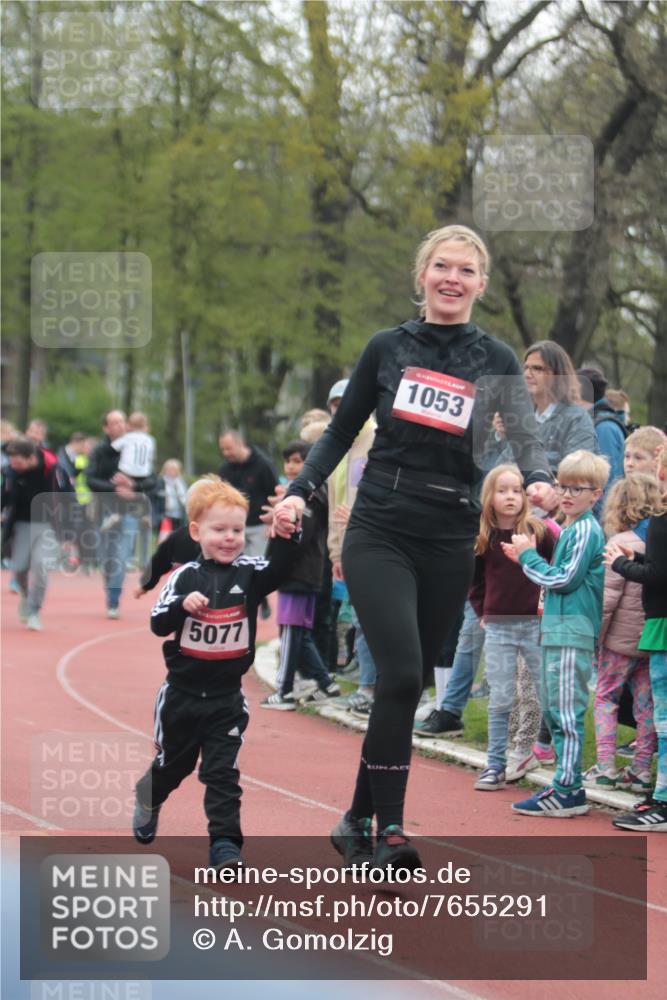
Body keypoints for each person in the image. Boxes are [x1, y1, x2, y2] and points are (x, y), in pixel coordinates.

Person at [271, 224, 552, 871]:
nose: (451, 279)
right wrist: (298, 491)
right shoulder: (386, 348)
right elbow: (339, 432)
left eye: (464, 270)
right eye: (440, 267)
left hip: (450, 532)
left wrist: (536, 477)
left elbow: (526, 437)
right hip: (382, 527)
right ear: (421, 275)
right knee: (399, 674)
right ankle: (389, 833)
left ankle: (351, 819)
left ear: (480, 284)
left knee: (409, 681)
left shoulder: (496, 359)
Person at [132, 475, 299, 869]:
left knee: (222, 773)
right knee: (176, 764)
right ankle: (149, 794)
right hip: (181, 697)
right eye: (219, 530)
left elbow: (282, 569)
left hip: (226, 698)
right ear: (196, 531)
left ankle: (225, 845)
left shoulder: (251, 572)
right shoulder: (183, 577)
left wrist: (286, 533)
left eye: (237, 530)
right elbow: (158, 624)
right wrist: (181, 607)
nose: (229, 538)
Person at [506, 449, 610, 817]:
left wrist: (528, 559)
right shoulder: (570, 528)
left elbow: (565, 580)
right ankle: (566, 782)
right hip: (558, 628)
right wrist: (528, 558)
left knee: (565, 711)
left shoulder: (585, 530)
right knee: (555, 709)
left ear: (596, 494)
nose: (566, 494)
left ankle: (568, 789)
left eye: (577, 488)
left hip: (572, 630)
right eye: (562, 486)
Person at [469, 464, 555, 791]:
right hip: (499, 627)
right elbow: (474, 582)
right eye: (502, 491)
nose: (510, 497)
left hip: (535, 625)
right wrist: (482, 611)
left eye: (516, 490)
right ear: (489, 497)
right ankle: (495, 764)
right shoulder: (483, 537)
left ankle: (560, 759)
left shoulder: (540, 532)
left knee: (547, 691)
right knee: (501, 697)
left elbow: (554, 569)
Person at [584, 473, 661, 792]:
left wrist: (595, 640)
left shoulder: (618, 545)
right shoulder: (653, 544)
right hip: (648, 640)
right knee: (646, 704)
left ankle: (605, 766)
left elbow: (607, 603)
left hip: (617, 644)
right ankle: (642, 770)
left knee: (605, 697)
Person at [604, 447, 667, 832]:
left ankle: (661, 801)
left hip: (663, 627)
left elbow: (660, 575)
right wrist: (639, 562)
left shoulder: (660, 519)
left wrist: (621, 564)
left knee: (665, 720)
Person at [261, 441, 340, 709]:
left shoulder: (308, 496)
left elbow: (298, 536)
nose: (292, 467)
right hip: (305, 572)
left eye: (298, 461)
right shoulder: (307, 494)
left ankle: (283, 691)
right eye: (288, 461)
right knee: (301, 632)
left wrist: (274, 564)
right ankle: (326, 683)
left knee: (291, 632)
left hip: (299, 572)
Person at [86, 410, 156, 618]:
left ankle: (113, 602)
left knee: (122, 556)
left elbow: (153, 481)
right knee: (106, 559)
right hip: (103, 510)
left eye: (122, 422)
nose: (120, 426)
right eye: (114, 423)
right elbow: (89, 480)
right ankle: (111, 588)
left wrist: (134, 486)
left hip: (129, 512)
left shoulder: (138, 446)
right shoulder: (99, 451)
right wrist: (113, 489)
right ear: (106, 428)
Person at [489, 340, 596, 475]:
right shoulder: (523, 417)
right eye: (526, 368)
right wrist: (502, 437)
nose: (527, 374)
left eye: (537, 368)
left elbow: (577, 473)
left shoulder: (577, 419)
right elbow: (498, 470)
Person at [1, 437, 67, 630]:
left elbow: (68, 498)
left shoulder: (54, 470)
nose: (14, 465)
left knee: (41, 566)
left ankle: (34, 611)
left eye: (18, 461)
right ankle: (25, 595)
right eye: (11, 461)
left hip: (48, 526)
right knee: (19, 568)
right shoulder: (11, 472)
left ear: (30, 458)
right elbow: (4, 494)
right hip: (21, 524)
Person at [217, 429, 278, 558]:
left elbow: (276, 494)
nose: (226, 453)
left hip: (260, 526)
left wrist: (274, 522)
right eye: (223, 449)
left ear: (241, 443)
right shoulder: (224, 470)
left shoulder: (263, 465)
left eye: (229, 448)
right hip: (234, 527)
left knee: (259, 566)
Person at [111, 411, 157, 492]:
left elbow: (113, 447)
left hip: (126, 471)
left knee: (114, 475)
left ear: (129, 425)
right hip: (144, 472)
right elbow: (151, 456)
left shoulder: (127, 437)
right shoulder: (150, 440)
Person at [154, 459, 188, 534]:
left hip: (179, 516)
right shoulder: (160, 482)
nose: (171, 472)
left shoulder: (181, 483)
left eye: (173, 469)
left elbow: (185, 498)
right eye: (169, 469)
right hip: (164, 515)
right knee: (165, 537)